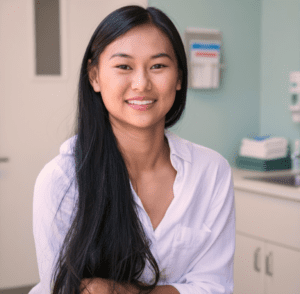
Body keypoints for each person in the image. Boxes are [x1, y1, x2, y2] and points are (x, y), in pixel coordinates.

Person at [29, 5, 235, 294]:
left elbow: (214, 286)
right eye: (124, 66)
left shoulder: (211, 171)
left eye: (158, 66)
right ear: (95, 77)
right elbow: (63, 288)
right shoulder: (61, 180)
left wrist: (122, 291)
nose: (141, 84)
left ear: (178, 78)